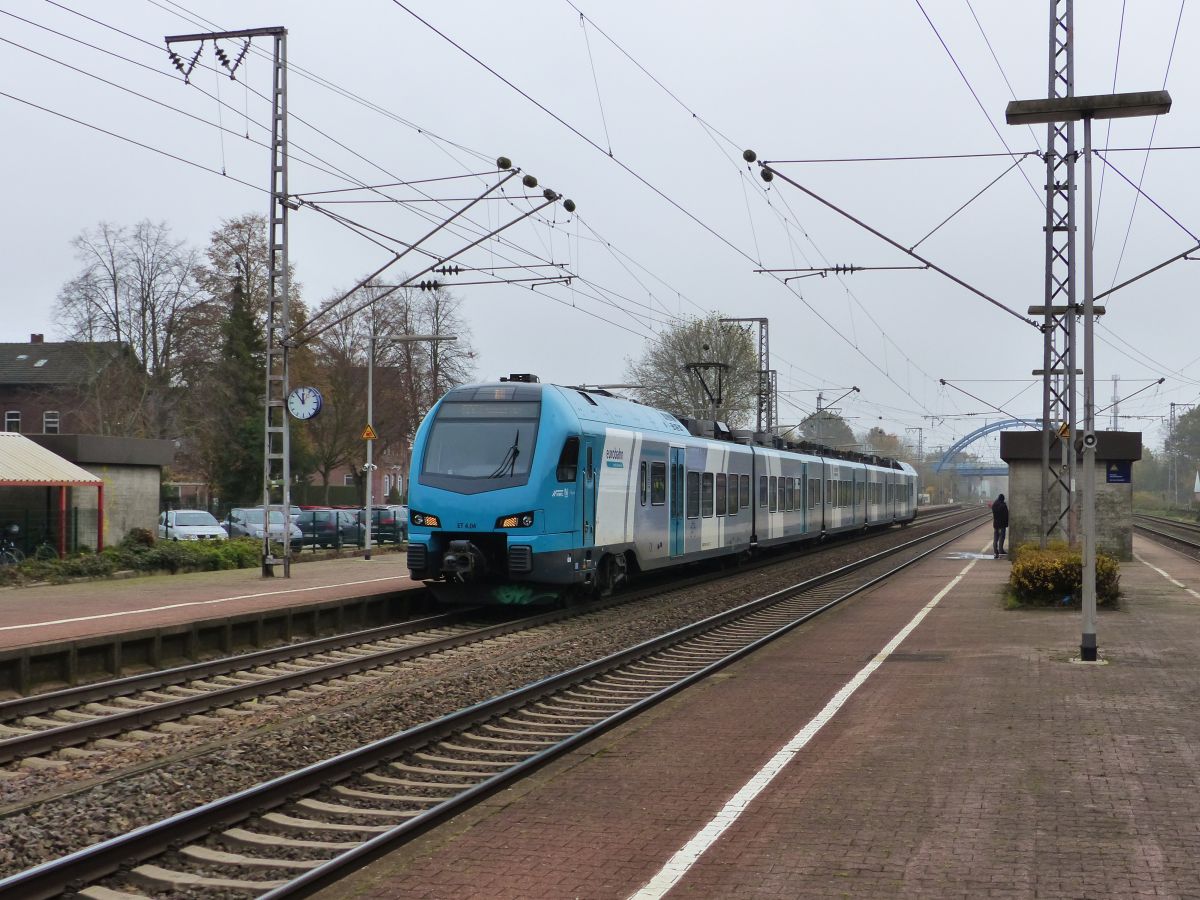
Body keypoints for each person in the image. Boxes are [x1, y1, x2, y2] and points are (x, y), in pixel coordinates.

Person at [992, 493, 1009, 558]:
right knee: (1001, 538)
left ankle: (995, 551)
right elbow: (1006, 515)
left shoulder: (994, 505)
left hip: (996, 524)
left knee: (995, 538)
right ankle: (1001, 550)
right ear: (1003, 499)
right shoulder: (1003, 506)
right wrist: (1006, 524)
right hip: (1002, 525)